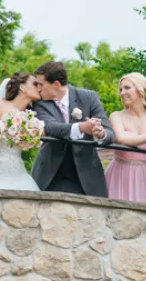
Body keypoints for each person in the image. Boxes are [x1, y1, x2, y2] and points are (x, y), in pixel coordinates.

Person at [30, 61, 112, 196]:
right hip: (50, 175)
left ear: (56, 84)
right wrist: (82, 127)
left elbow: (110, 133)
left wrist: (100, 133)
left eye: (41, 84)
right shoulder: (39, 103)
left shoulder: (89, 97)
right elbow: (50, 127)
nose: (38, 89)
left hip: (85, 177)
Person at [105, 73, 146, 203]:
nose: (122, 92)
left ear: (141, 89)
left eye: (127, 88)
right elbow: (121, 138)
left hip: (145, 176)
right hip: (120, 173)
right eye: (121, 89)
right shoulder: (116, 116)